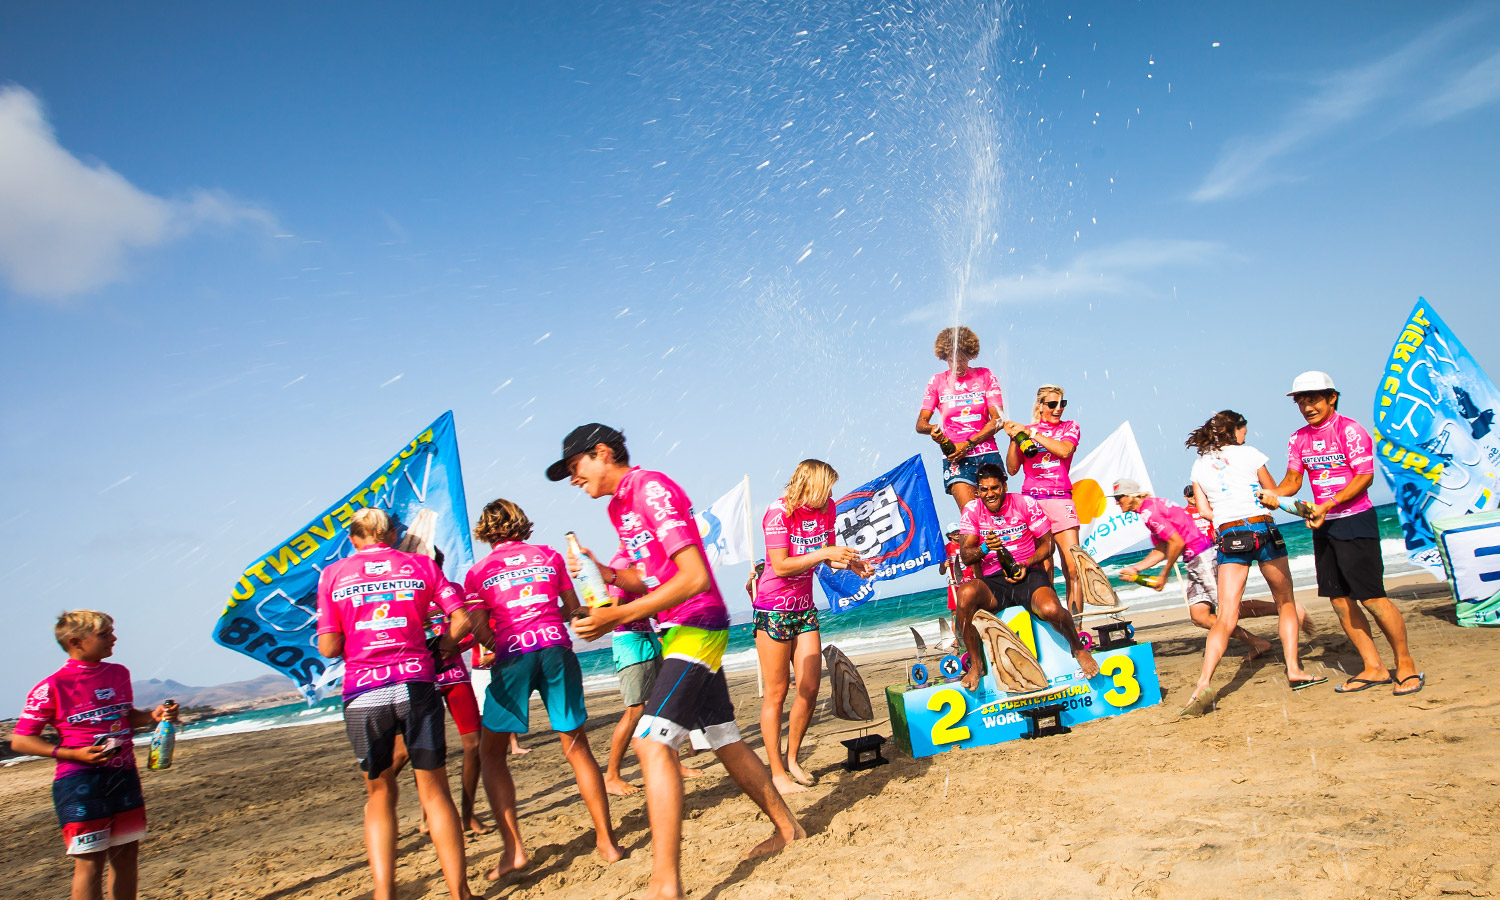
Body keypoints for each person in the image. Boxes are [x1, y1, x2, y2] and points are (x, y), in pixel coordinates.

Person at [549, 423, 803, 900]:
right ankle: (789, 829)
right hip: (675, 629)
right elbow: (646, 578)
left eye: (574, 467)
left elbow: (692, 579)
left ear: (602, 453)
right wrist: (605, 574)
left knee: (650, 744)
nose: (572, 478)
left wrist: (618, 617)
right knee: (724, 739)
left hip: (698, 623)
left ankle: (666, 883)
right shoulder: (619, 506)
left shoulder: (651, 488)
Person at [315, 507, 473, 900]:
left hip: (364, 691)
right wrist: (442, 647)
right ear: (389, 536)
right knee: (434, 790)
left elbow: (329, 646)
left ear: (353, 538)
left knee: (380, 793)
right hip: (416, 684)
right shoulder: (420, 565)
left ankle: (385, 894)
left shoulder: (333, 574)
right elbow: (463, 619)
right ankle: (460, 894)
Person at [462, 498, 623, 880]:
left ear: (487, 532)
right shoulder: (549, 556)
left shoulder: (478, 572)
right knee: (577, 746)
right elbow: (573, 610)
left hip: (513, 653)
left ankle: (514, 850)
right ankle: (607, 842)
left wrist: (499, 642)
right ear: (521, 524)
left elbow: (479, 628)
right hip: (554, 647)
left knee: (492, 754)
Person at [1261, 371, 1423, 696]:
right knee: (1339, 600)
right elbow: (1293, 481)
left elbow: (1365, 477)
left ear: (1331, 397)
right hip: (1323, 526)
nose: (1307, 407)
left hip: (1355, 521)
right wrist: (1273, 496)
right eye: (1301, 401)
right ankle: (1374, 667)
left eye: (1313, 399)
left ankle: (1406, 665)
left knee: (1373, 598)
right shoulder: (1298, 439)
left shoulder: (1350, 430)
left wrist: (1329, 503)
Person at [11, 610, 178, 900]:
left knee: (126, 857)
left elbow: (126, 717)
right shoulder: (52, 686)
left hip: (123, 775)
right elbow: (21, 740)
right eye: (104, 634)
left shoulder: (118, 673)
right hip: (80, 782)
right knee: (91, 863)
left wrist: (155, 715)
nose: (114, 638)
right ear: (76, 641)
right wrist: (72, 754)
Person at [1184, 410, 1319, 717]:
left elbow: (1204, 510)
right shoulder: (1250, 454)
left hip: (1229, 534)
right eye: (1244, 428)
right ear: (1236, 429)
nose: (1246, 434)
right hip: (1262, 527)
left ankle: (1202, 684)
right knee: (1285, 603)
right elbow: (1272, 493)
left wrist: (1226, 513)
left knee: (1225, 618)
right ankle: (1294, 670)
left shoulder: (1200, 464)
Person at [753, 459, 873, 794]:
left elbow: (828, 558)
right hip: (773, 610)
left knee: (809, 687)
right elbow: (781, 565)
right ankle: (776, 772)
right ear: (811, 485)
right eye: (828, 487)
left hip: (804, 609)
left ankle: (792, 760)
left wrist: (853, 565)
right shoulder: (778, 513)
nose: (831, 494)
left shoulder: (827, 509)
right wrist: (825, 553)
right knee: (776, 693)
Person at [954, 463, 1101, 693]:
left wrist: (1028, 563)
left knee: (1051, 610)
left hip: (1028, 573)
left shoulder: (1024, 503)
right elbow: (966, 554)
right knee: (965, 595)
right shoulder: (972, 510)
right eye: (984, 489)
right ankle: (977, 665)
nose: (990, 494)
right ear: (977, 491)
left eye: (995, 488)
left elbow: (1048, 544)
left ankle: (1078, 648)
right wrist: (984, 548)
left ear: (1004, 485)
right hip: (995, 582)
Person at [1112, 479, 1299, 658]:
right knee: (1200, 616)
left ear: (1130, 496)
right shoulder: (1152, 507)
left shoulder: (1150, 512)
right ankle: (1257, 642)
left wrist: (1164, 575)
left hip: (1202, 556)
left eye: (1118, 497)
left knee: (1229, 610)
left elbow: (1176, 542)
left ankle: (1286, 610)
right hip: (1195, 558)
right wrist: (1136, 568)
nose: (1117, 502)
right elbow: (1163, 547)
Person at [604, 546, 702, 796]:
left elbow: (655, 602)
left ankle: (674, 763)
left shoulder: (642, 561)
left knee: (665, 704)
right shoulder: (620, 562)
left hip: (648, 636)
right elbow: (614, 610)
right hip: (629, 641)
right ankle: (612, 776)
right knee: (635, 710)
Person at [1004, 384, 1084, 614]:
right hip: (1033, 503)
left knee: (1073, 568)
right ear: (1040, 406)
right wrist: (1013, 438)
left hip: (1060, 500)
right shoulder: (1026, 431)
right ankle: (1053, 624)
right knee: (1043, 569)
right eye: (1052, 404)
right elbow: (1012, 469)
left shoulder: (1070, 427)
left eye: (1062, 404)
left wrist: (1032, 434)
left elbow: (1065, 451)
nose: (1058, 409)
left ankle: (1076, 626)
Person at [916, 326, 1006, 515]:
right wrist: (933, 430)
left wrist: (968, 443)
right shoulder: (937, 381)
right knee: (971, 518)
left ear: (970, 356)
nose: (958, 365)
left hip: (986, 453)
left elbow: (998, 420)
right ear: (945, 358)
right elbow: (921, 423)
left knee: (997, 516)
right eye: (952, 360)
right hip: (956, 458)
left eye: (963, 359)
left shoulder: (985, 375)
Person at [939, 522, 976, 612]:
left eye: (958, 531)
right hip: (955, 583)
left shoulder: (968, 545)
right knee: (955, 611)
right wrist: (944, 566)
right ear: (949, 535)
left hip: (970, 581)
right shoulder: (945, 549)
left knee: (974, 608)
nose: (956, 533)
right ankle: (956, 626)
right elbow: (941, 571)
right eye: (953, 532)